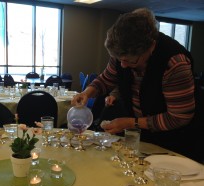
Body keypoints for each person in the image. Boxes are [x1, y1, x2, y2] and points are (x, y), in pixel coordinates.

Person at [72, 8, 200, 160]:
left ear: (150, 46)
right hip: (143, 135)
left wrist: (131, 123)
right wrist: (87, 92)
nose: (123, 65)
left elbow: (179, 117)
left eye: (130, 61)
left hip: (175, 141)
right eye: (120, 60)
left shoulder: (174, 63)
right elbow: (106, 79)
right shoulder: (122, 53)